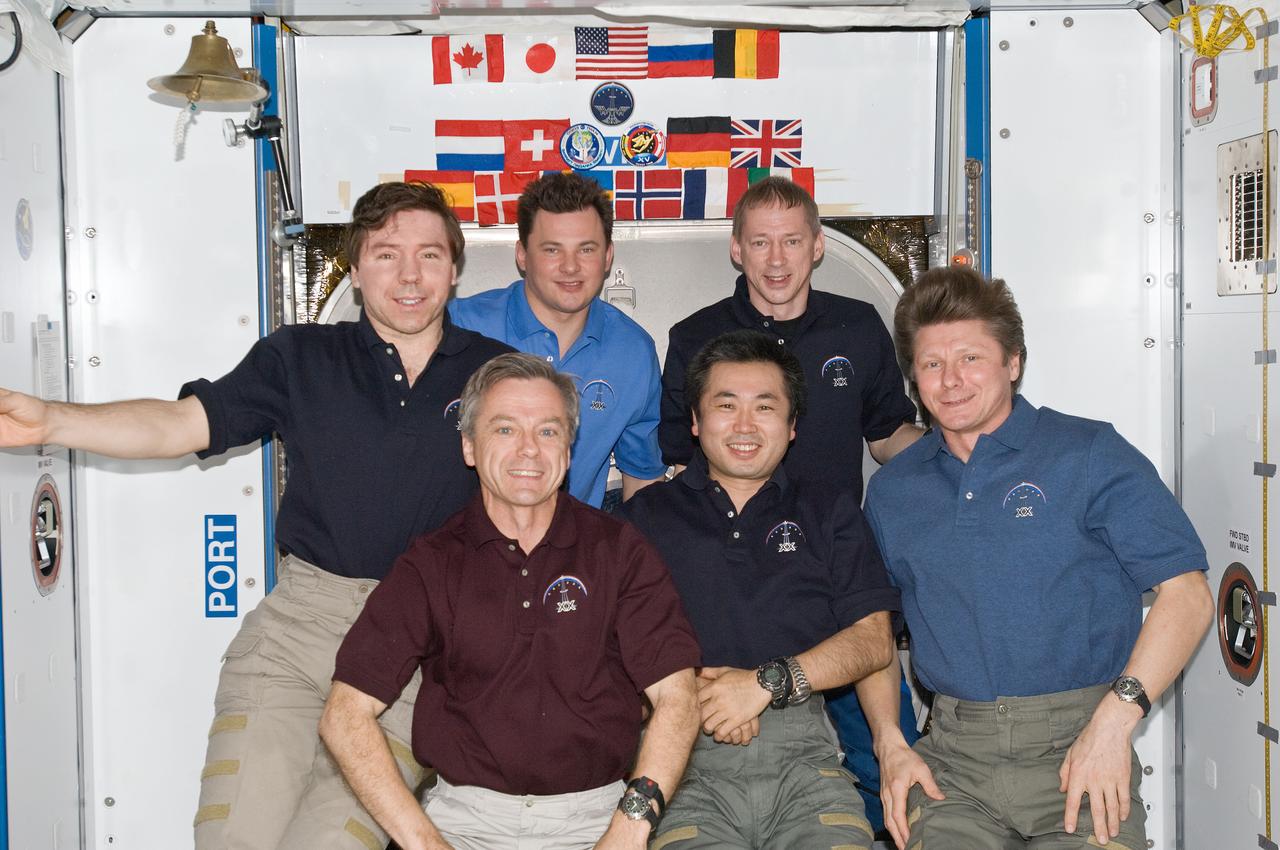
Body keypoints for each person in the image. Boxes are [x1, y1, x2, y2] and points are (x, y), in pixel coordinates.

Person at [0, 181, 513, 850]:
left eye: (430, 255)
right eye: (386, 254)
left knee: (329, 843)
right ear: (356, 270)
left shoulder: (497, 376)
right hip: (298, 638)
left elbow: (539, 515)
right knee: (232, 838)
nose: (409, 275)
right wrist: (51, 420)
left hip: (420, 658)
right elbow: (180, 424)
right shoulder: (300, 357)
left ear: (455, 268)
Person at [856, 267, 1214, 849]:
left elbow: (1188, 595)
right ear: (913, 378)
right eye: (932, 363)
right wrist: (890, 742)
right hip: (954, 765)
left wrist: (1114, 721)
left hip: (1081, 752)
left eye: (971, 358)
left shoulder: (1089, 453)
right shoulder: (895, 492)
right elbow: (870, 630)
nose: (951, 380)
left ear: (1014, 362)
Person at [320, 352, 701, 850]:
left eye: (547, 431)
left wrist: (628, 829)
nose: (528, 450)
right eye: (504, 429)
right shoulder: (431, 562)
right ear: (469, 446)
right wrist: (427, 844)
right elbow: (344, 716)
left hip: (598, 821)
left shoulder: (619, 551)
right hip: (463, 823)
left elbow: (678, 697)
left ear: (568, 449)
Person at [658, 175, 922, 829]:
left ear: (818, 246)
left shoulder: (858, 327)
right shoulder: (695, 336)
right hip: (740, 591)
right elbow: (677, 465)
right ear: (736, 249)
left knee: (889, 759)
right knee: (726, 757)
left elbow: (889, 436)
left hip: (833, 573)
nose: (777, 260)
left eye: (792, 241)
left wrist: (969, 453)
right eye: (760, 242)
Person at [618, 330, 900, 849]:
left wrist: (764, 684)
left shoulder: (828, 510)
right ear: (696, 421)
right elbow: (598, 656)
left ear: (792, 426)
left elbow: (873, 640)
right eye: (726, 405)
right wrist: (689, 698)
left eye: (765, 407)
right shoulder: (641, 521)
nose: (745, 425)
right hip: (682, 771)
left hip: (805, 766)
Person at [450, 171, 667, 508]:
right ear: (522, 255)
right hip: (460, 535)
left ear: (608, 256)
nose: (570, 267)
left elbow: (642, 477)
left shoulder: (633, 351)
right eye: (552, 250)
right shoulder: (460, 326)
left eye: (586, 249)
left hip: (573, 538)